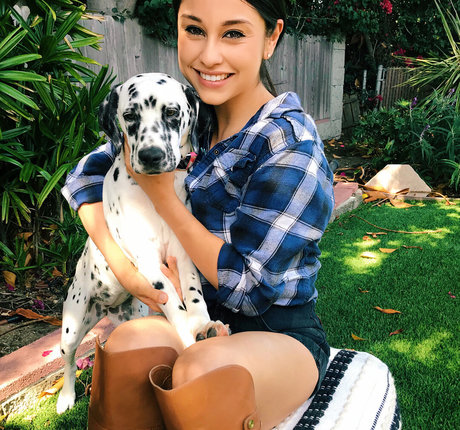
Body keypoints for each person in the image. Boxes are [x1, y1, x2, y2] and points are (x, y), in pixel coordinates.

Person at [62, 0, 335, 428]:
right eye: (194, 29)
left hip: (276, 329)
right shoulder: (183, 112)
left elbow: (250, 290)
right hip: (195, 311)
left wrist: (163, 198)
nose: (209, 55)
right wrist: (124, 270)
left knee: (201, 373)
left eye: (233, 33)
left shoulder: (290, 145)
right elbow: (86, 174)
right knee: (123, 354)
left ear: (271, 38)